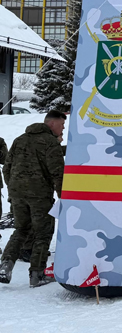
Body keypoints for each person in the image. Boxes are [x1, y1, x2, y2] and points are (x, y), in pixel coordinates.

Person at [0, 110, 66, 287]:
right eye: (62, 125)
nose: (63, 129)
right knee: (43, 233)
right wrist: (63, 198)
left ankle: (5, 265)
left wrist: (14, 189)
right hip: (39, 196)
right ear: (52, 124)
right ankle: (37, 274)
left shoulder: (20, 139)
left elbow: (6, 167)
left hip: (17, 194)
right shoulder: (50, 143)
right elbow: (58, 173)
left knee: (21, 230)